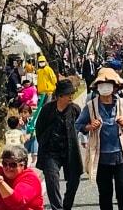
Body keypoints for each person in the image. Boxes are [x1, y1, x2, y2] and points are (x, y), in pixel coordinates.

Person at [76, 68, 123, 210]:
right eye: (102, 84)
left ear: (115, 87)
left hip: (121, 156)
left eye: (109, 84)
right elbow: (78, 124)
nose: (105, 87)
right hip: (101, 157)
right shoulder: (91, 106)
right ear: (97, 88)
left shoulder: (122, 104)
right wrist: (90, 127)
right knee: (105, 193)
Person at [35, 79, 82, 210]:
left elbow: (82, 125)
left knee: (74, 179)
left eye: (72, 94)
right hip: (51, 152)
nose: (71, 97)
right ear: (60, 96)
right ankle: (57, 208)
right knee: (52, 178)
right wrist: (45, 144)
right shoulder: (47, 110)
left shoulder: (75, 110)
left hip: (70, 150)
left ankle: (67, 206)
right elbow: (39, 129)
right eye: (68, 95)